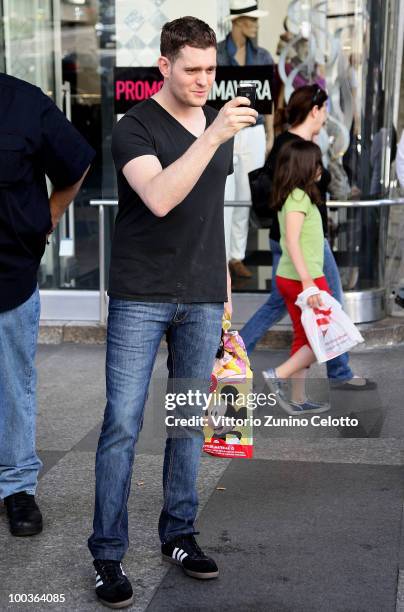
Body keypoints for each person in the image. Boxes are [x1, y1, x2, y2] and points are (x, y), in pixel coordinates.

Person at [87, 16, 258, 609]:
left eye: (211, 70)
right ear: (164, 66)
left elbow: (209, 215)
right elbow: (160, 198)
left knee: (187, 421)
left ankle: (179, 534)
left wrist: (226, 294)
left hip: (205, 296)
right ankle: (107, 555)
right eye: (192, 69)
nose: (204, 81)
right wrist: (209, 136)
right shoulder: (132, 127)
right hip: (141, 295)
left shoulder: (219, 128)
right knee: (123, 426)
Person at [0, 74, 94, 535]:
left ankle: (17, 487)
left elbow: (76, 162)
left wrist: (51, 213)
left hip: (8, 277)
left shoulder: (22, 102)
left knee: (13, 386)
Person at [240, 85, 376, 392]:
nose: (326, 116)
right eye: (325, 110)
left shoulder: (294, 144)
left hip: (294, 240)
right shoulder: (294, 147)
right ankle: (339, 372)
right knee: (331, 304)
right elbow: (302, 196)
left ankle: (236, 351)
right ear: (314, 111)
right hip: (301, 242)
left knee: (277, 303)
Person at [263, 140, 333, 413]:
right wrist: (308, 282)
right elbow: (290, 241)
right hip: (303, 280)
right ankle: (276, 376)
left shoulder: (298, 195)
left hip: (299, 278)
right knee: (323, 338)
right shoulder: (297, 198)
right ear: (305, 167)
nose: (321, 168)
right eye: (317, 163)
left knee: (304, 338)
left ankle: (298, 398)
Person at [217, 0, 274, 278]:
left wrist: (271, 134)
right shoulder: (216, 54)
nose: (256, 24)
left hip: (253, 129)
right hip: (225, 129)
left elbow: (268, 99)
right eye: (251, 20)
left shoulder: (262, 56)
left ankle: (236, 256)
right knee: (223, 192)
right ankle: (219, 256)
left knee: (245, 194)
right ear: (238, 22)